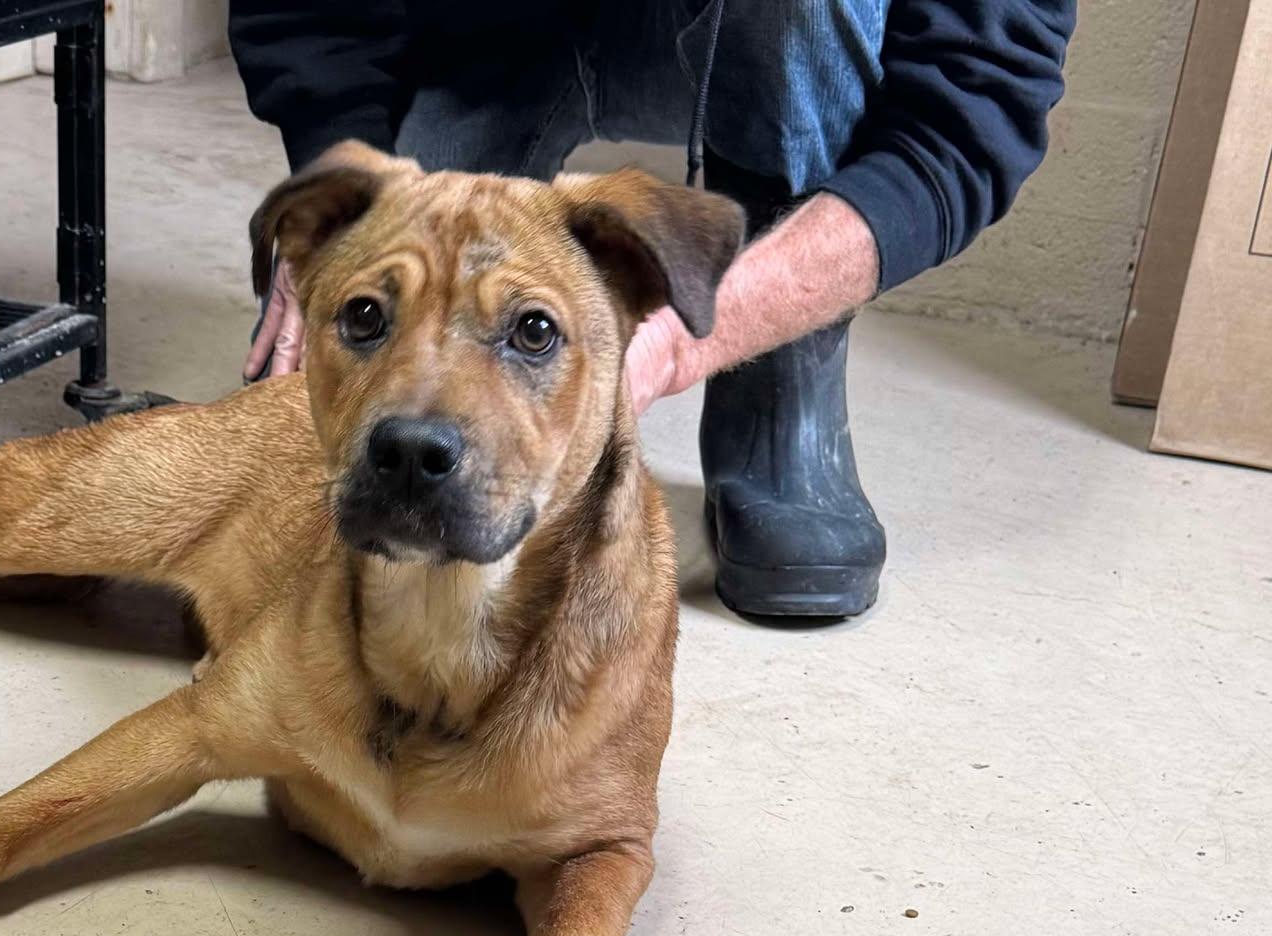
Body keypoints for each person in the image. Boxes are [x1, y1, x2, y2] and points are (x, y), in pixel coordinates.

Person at [228, 0, 1076, 619]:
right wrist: (345, 216)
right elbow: (308, 16)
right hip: (478, 30)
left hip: (768, 25)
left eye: (529, 331)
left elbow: (968, 116)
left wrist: (684, 341)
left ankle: (781, 382)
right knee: (322, 482)